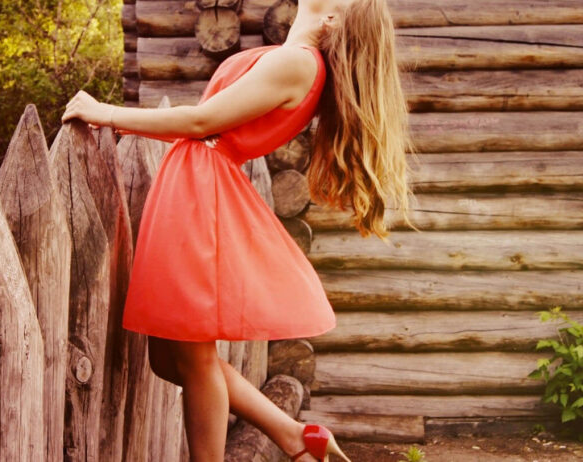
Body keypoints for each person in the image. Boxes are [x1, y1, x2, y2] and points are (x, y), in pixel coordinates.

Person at [62, 0, 414, 459]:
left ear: (332, 20)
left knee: (193, 358)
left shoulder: (298, 63)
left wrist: (105, 112)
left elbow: (200, 121)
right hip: (196, 183)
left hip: (199, 192)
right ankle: (293, 435)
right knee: (169, 359)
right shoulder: (298, 61)